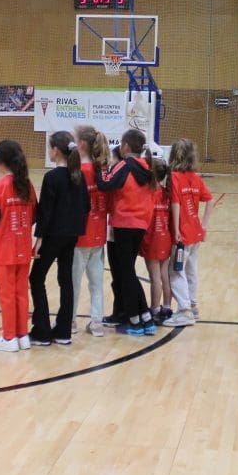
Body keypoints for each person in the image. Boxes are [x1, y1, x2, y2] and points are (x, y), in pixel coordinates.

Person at [28, 131, 89, 347]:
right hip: (71, 236)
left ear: (55, 150)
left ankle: (42, 331)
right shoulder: (78, 177)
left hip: (53, 236)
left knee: (36, 278)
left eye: (49, 148)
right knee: (66, 281)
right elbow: (86, 207)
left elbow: (46, 213)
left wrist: (39, 240)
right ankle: (63, 331)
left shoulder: (52, 178)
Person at [95, 129, 157, 337]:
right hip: (141, 224)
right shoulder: (147, 167)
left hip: (123, 223)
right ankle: (145, 317)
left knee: (126, 274)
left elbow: (105, 184)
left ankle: (135, 319)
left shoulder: (125, 166)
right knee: (127, 271)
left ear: (126, 147)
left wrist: (99, 167)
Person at [0, 140, 37, 352]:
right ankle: (22, 335)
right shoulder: (28, 185)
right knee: (21, 293)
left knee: (6, 295)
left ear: (0, 162)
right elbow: (33, 216)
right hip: (24, 247)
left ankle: (9, 338)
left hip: (4, 249)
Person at [163, 139, 214, 328]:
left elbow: (175, 204)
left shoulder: (174, 176)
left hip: (183, 233)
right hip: (195, 231)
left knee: (175, 270)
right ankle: (192, 305)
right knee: (191, 269)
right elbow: (209, 201)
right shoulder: (196, 177)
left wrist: (175, 230)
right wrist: (204, 226)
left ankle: (184, 310)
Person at [73, 125, 109, 337]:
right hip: (99, 234)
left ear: (82, 144)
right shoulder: (103, 171)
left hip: (80, 236)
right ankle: (97, 323)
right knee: (96, 283)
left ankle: (70, 322)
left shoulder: (80, 172)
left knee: (74, 282)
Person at [141, 159, 173, 324]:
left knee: (154, 276)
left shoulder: (149, 193)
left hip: (152, 238)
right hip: (165, 237)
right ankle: (166, 307)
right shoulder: (167, 192)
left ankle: (154, 308)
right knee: (164, 275)